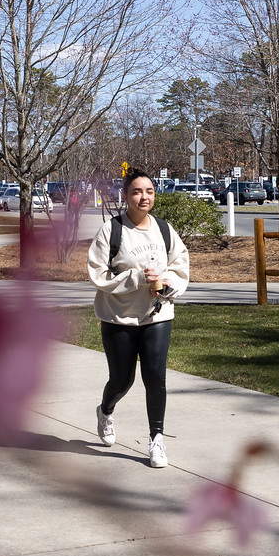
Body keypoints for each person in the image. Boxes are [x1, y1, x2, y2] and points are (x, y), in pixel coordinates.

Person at [86, 170, 191, 467]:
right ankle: (106, 410)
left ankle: (156, 440)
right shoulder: (112, 230)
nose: (144, 197)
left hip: (157, 316)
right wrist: (135, 277)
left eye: (149, 191)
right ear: (126, 195)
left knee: (155, 378)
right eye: (136, 191)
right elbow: (97, 273)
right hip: (119, 317)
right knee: (122, 380)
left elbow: (180, 266)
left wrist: (168, 283)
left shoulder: (164, 229)